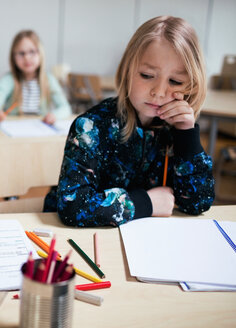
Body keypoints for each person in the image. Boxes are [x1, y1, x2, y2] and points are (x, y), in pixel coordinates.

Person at [44, 16, 214, 227]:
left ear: (191, 85)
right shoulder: (90, 127)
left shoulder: (176, 131)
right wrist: (146, 203)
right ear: (127, 70)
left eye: (175, 81)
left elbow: (198, 203)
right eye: (147, 75)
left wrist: (187, 135)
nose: (159, 92)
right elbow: (72, 207)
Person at [0, 30, 71, 125]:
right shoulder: (8, 80)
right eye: (21, 53)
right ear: (13, 57)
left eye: (32, 52)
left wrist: (54, 115)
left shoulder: (49, 79)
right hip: (14, 129)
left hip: (40, 130)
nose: (27, 57)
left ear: (40, 53)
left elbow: (65, 108)